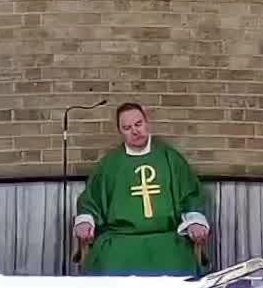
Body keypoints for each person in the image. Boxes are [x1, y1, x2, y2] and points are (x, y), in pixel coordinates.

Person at [71, 103, 211, 275]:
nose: (135, 131)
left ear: (147, 123)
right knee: (107, 262)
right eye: (127, 128)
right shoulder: (110, 164)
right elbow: (91, 201)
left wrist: (195, 221)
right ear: (120, 131)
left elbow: (190, 196)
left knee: (179, 262)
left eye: (138, 124)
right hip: (119, 239)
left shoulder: (170, 158)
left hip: (166, 238)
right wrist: (85, 221)